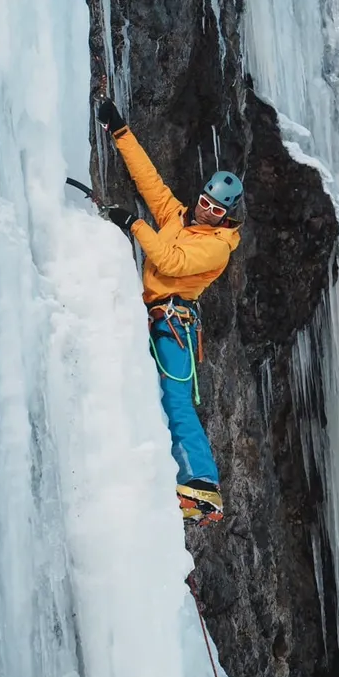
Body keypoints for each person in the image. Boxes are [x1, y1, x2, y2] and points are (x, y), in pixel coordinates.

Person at [97, 96, 243, 525]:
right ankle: (174, 475)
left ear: (227, 217)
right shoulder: (180, 218)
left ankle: (204, 487)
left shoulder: (217, 248)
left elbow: (171, 263)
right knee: (155, 398)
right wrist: (120, 132)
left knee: (177, 400)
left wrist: (133, 224)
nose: (206, 210)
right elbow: (150, 184)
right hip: (153, 318)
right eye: (205, 201)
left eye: (216, 210)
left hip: (176, 323)